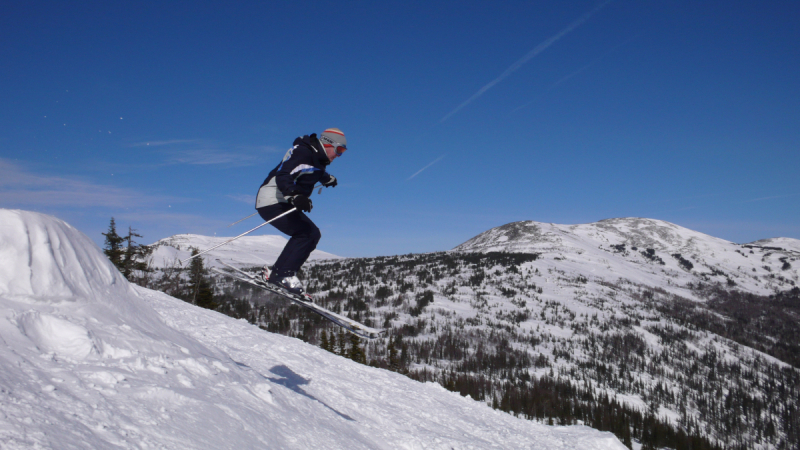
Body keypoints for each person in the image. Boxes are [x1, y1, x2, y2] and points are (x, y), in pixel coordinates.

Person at [254, 128, 347, 296]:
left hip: (283, 201)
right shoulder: (303, 152)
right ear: (327, 143)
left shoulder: (317, 158)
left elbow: (313, 170)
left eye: (343, 152)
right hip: (273, 200)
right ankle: (283, 274)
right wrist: (294, 194)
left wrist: (327, 179)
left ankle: (279, 273)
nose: (339, 155)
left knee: (311, 234)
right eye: (339, 150)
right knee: (306, 234)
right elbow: (284, 174)